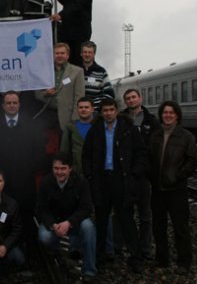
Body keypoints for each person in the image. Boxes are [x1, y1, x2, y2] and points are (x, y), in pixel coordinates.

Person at [82, 98, 146, 273]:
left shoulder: (128, 129)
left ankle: (135, 257)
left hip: (122, 180)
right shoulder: (95, 130)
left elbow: (141, 152)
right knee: (101, 220)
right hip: (101, 180)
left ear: (117, 111)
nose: (108, 113)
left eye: (111, 109)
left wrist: (134, 174)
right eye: (105, 110)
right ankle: (101, 255)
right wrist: (89, 175)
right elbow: (86, 155)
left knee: (126, 220)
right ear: (101, 112)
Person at [148, 101, 197, 274]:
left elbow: (192, 160)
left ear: (177, 115)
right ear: (161, 115)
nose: (168, 115)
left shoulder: (186, 136)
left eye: (171, 112)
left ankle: (184, 262)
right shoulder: (155, 135)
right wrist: (151, 176)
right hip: (157, 189)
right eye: (165, 112)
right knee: (158, 226)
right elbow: (148, 158)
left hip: (177, 190)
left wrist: (178, 177)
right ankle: (162, 259)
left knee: (180, 227)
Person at [0, 91, 46, 223]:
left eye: (14, 103)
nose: (12, 106)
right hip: (3, 182)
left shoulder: (31, 124)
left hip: (25, 181)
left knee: (26, 216)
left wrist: (29, 170)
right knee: (4, 218)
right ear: (3, 106)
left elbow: (40, 151)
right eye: (8, 103)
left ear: (19, 104)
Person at [37, 153, 96, 283]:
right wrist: (52, 224)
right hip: (55, 222)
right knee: (44, 236)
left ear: (70, 168)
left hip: (75, 220)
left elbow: (86, 207)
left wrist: (69, 222)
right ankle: (57, 254)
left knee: (89, 228)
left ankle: (89, 270)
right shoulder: (46, 182)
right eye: (56, 168)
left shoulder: (81, 181)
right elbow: (41, 209)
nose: (59, 172)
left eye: (63, 168)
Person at [122, 88, 161, 259]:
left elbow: (155, 145)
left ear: (140, 98)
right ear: (125, 102)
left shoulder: (151, 120)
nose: (131, 100)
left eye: (133, 97)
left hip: (144, 174)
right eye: (128, 98)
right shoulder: (121, 119)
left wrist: (148, 167)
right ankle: (129, 246)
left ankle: (145, 248)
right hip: (125, 173)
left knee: (145, 214)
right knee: (125, 212)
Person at [35, 42, 85, 134]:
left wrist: (75, 119)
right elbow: (37, 94)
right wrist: (46, 93)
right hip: (46, 115)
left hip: (67, 117)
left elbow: (79, 97)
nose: (59, 56)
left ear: (67, 55)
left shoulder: (77, 71)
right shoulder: (44, 71)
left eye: (62, 53)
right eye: (57, 53)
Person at [50, 0, 92, 67]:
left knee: (77, 61)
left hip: (79, 31)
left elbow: (76, 5)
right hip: (69, 30)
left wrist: (60, 15)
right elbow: (68, 3)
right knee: (69, 60)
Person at [61, 97, 95, 174]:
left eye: (86, 107)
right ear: (77, 109)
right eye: (81, 107)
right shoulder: (70, 128)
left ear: (92, 109)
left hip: (96, 171)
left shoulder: (99, 126)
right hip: (77, 172)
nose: (83, 109)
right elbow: (64, 151)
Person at [80, 41, 115, 110]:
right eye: (85, 52)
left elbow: (110, 94)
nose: (87, 54)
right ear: (81, 53)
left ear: (94, 54)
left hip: (96, 111)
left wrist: (96, 105)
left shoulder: (101, 71)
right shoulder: (75, 71)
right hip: (79, 111)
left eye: (90, 52)